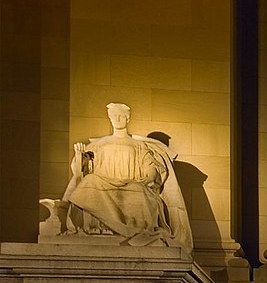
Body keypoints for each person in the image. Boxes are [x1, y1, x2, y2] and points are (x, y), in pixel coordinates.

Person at [51, 103, 192, 251]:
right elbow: (81, 170)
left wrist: (149, 176)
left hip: (131, 184)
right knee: (89, 181)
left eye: (121, 116)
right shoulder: (99, 144)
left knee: (138, 190)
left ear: (128, 118)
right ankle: (99, 226)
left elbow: (151, 166)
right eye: (114, 116)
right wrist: (79, 154)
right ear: (110, 118)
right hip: (103, 183)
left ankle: (131, 229)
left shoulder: (139, 146)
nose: (117, 119)